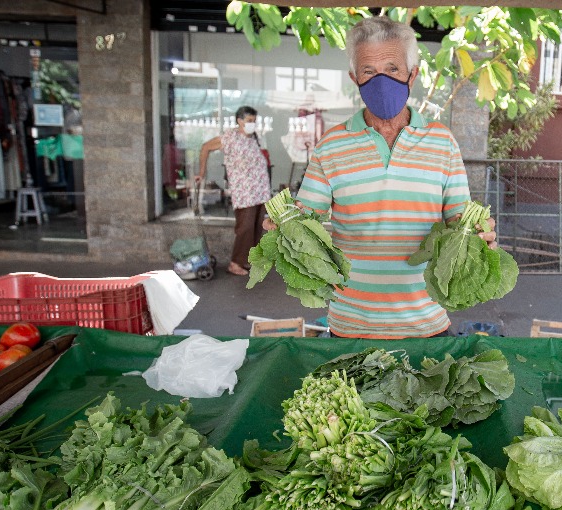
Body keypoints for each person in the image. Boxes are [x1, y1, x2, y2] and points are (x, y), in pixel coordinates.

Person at [269, 16, 496, 339]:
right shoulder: (331, 145)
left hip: (428, 326)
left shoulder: (442, 141)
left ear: (412, 75)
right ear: (354, 78)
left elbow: (458, 220)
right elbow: (309, 221)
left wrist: (478, 234)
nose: (381, 81)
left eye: (392, 69)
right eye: (369, 72)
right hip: (350, 326)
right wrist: (286, 226)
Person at [195, 106, 271, 276]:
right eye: (249, 121)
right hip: (245, 192)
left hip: (260, 191)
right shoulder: (230, 137)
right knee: (245, 227)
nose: (252, 124)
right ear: (239, 120)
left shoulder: (253, 139)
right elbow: (205, 147)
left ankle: (246, 260)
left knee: (256, 228)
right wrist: (202, 172)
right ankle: (235, 263)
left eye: (254, 121)